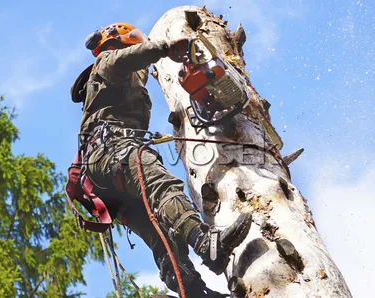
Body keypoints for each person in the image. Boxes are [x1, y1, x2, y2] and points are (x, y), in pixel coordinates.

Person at [70, 22, 252, 297]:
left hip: (104, 179)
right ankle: (205, 242)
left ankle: (190, 289)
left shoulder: (110, 86)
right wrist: (164, 49)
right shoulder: (108, 62)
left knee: (161, 231)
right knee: (160, 186)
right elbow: (125, 60)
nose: (143, 73)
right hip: (112, 151)